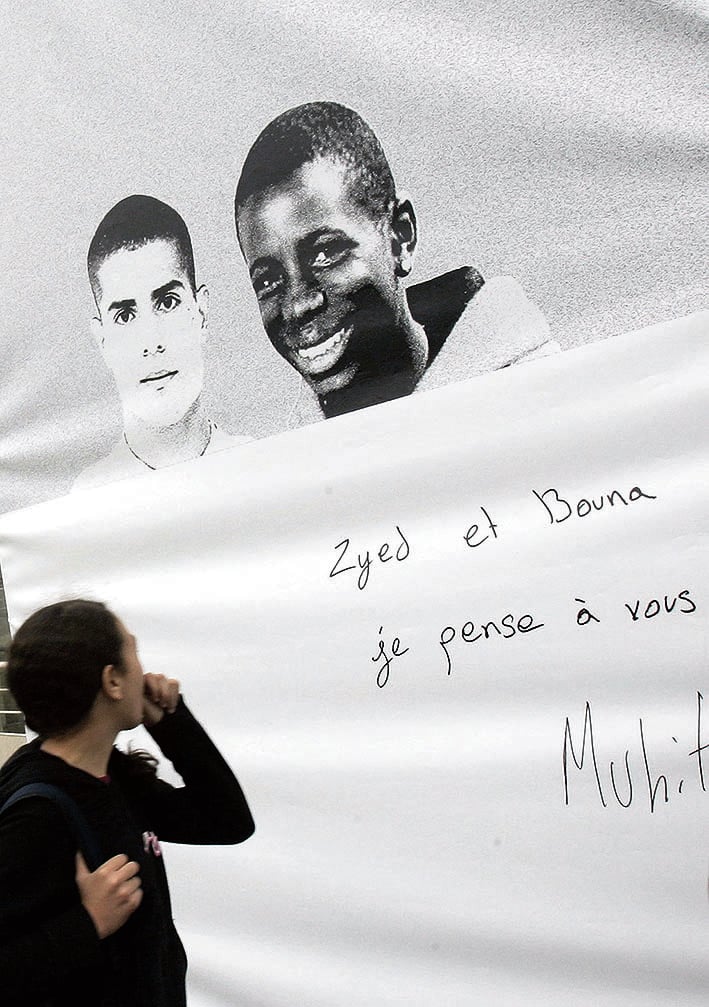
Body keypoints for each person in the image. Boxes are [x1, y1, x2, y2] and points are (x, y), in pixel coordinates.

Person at [234, 101, 560, 425]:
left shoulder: (542, 401)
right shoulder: (291, 459)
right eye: (267, 282)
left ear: (400, 236)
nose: (298, 305)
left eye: (326, 254)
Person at [0, 599, 255, 1006]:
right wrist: (87, 924)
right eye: (134, 653)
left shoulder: (111, 775)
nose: (147, 673)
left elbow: (226, 822)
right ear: (112, 681)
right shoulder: (37, 811)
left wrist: (171, 723)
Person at [76, 195, 249, 489]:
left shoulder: (255, 463)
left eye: (168, 303)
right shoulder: (86, 500)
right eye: (125, 315)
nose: (151, 342)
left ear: (201, 313)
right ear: (103, 341)